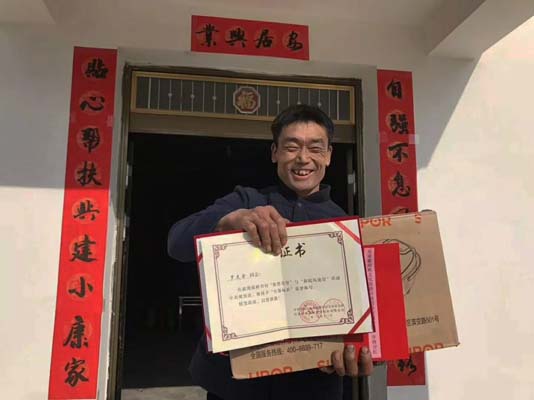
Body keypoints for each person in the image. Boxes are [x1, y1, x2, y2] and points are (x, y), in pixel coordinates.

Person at [167, 104, 373, 400]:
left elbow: (365, 311)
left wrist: (360, 349)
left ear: (328, 155)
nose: (303, 158)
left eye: (315, 148)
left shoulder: (345, 228)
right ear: (275, 152)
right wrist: (228, 221)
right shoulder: (246, 201)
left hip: (313, 385)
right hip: (234, 384)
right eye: (291, 147)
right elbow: (177, 243)